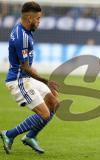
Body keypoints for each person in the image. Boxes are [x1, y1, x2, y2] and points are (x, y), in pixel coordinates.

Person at [0, 1, 59, 154]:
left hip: (27, 78)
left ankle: (31, 137)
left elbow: (26, 65)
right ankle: (9, 134)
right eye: (38, 19)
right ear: (30, 18)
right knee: (44, 114)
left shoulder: (24, 30)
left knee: (54, 103)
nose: (39, 22)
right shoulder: (22, 37)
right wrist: (46, 81)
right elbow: (25, 67)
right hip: (18, 81)